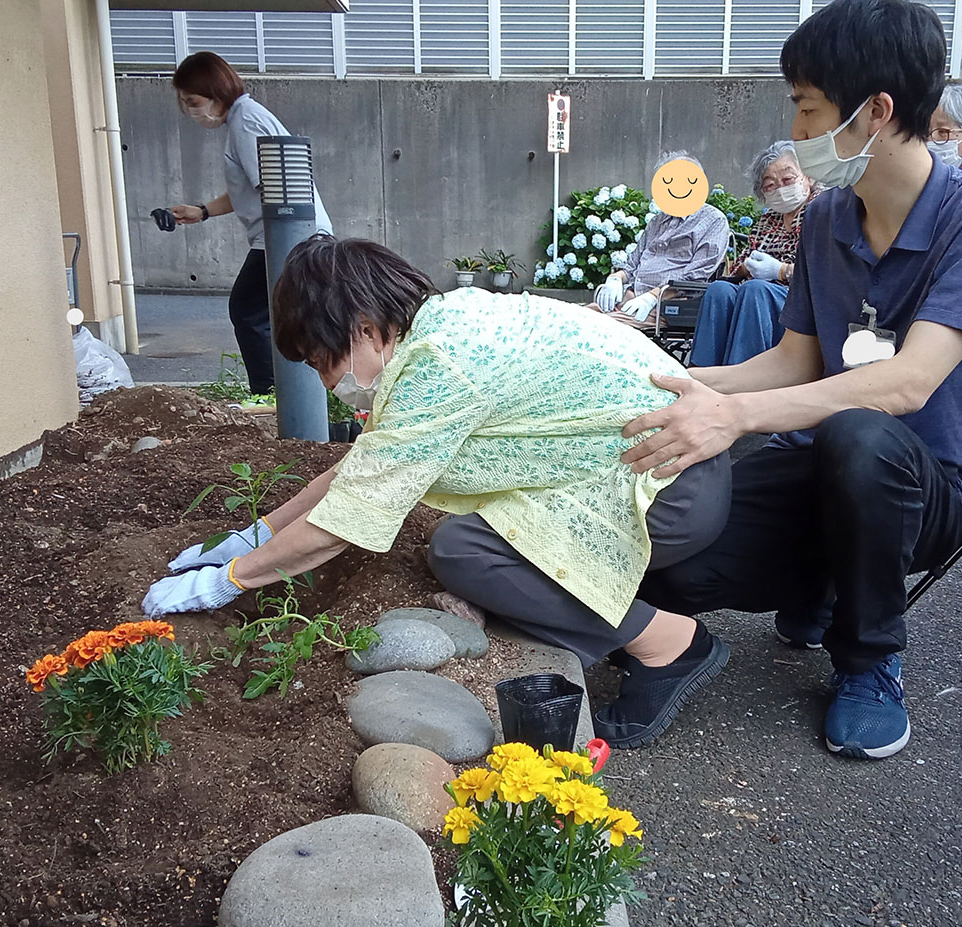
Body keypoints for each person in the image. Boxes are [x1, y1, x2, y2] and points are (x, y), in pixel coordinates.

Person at [142, 235, 734, 748]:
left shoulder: (440, 366)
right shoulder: (442, 325)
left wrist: (227, 581)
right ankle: (611, 614)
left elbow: (346, 520)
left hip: (668, 491)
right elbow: (360, 471)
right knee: (470, 545)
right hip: (657, 470)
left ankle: (666, 643)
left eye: (322, 360)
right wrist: (253, 537)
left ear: (364, 329)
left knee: (464, 554)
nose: (324, 381)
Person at [627, 0, 962, 760]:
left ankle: (868, 661)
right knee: (668, 573)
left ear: (877, 112)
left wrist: (737, 418)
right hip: (814, 465)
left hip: (919, 489)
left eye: (807, 107)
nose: (798, 129)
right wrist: (658, 377)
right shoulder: (829, 217)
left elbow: (907, 385)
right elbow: (793, 362)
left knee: (862, 436)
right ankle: (821, 582)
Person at [167, 52, 333, 394]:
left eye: (194, 102)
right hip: (297, 233)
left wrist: (281, 242)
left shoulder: (246, 124)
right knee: (285, 314)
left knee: (248, 311)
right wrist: (202, 211)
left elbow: (271, 189)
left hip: (285, 236)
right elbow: (250, 187)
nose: (193, 111)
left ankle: (269, 393)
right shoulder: (247, 118)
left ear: (216, 92)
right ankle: (300, 392)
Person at [689, 142, 821, 367]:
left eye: (788, 179)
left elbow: (827, 271)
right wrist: (747, 267)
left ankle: (740, 376)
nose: (780, 188)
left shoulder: (823, 209)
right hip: (756, 293)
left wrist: (780, 270)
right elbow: (740, 264)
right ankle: (700, 372)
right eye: (770, 185)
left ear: (808, 176)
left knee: (755, 290)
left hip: (802, 299)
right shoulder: (768, 220)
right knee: (719, 291)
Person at [592, 151, 730, 326]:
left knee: (595, 326)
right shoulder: (658, 220)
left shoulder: (713, 220)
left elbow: (695, 276)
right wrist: (615, 279)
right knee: (569, 317)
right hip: (629, 297)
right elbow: (631, 265)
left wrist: (651, 297)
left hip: (665, 306)